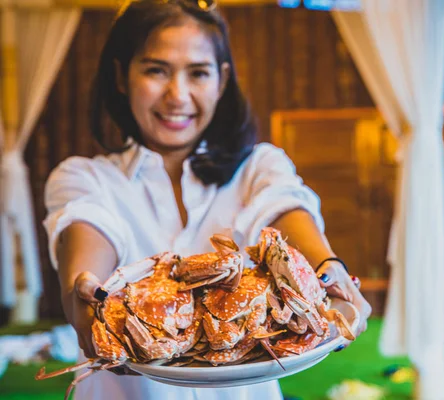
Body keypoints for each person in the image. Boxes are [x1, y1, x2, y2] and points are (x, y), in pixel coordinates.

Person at [43, 1, 372, 399]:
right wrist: (85, 291)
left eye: (198, 72)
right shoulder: (82, 177)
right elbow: (88, 229)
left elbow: (282, 207)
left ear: (222, 80)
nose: (177, 95)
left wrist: (326, 268)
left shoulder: (258, 167)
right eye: (155, 70)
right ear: (120, 76)